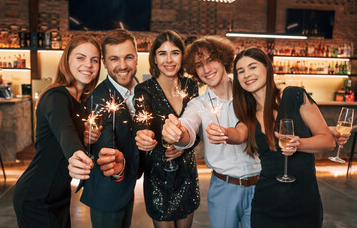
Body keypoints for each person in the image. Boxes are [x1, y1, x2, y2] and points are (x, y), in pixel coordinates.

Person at [162, 36, 261, 228]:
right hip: (224, 188)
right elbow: (187, 128)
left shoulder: (250, 93)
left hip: (261, 185)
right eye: (199, 65)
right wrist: (178, 133)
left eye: (210, 60)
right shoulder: (197, 105)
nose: (206, 69)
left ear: (223, 59)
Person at [231, 47, 335, 228]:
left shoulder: (293, 96)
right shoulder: (248, 116)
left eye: (252, 67)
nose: (247, 74)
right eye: (241, 71)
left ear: (267, 68)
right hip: (266, 204)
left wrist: (299, 143)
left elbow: (328, 140)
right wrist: (221, 133)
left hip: (304, 203)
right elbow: (236, 135)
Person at [12, 35, 110, 227]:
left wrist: (86, 141)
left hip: (60, 195)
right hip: (36, 196)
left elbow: (65, 138)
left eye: (94, 60)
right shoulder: (56, 95)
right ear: (67, 61)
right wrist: (76, 154)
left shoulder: (82, 104)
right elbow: (64, 129)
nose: (88, 65)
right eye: (80, 58)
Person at [67, 28, 142, 228]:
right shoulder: (99, 98)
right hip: (106, 191)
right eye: (114, 59)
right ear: (105, 62)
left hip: (128, 185)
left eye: (128, 57)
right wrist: (116, 170)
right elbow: (105, 147)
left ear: (137, 58)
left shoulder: (142, 90)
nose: (123, 66)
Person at [134, 30, 200, 228]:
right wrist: (143, 136)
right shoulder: (144, 89)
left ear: (182, 56)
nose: (169, 60)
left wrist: (185, 146)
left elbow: (199, 126)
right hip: (158, 175)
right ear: (154, 58)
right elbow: (142, 124)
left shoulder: (191, 86)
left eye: (175, 53)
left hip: (186, 173)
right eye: (162, 53)